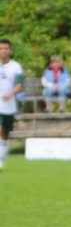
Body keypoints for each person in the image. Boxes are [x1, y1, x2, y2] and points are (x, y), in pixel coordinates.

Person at [0, 39, 24, 170]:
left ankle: (1, 159)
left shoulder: (16, 66)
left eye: (6, 48)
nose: (3, 51)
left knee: (5, 134)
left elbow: (19, 85)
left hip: (9, 105)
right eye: (1, 48)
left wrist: (11, 94)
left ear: (10, 50)